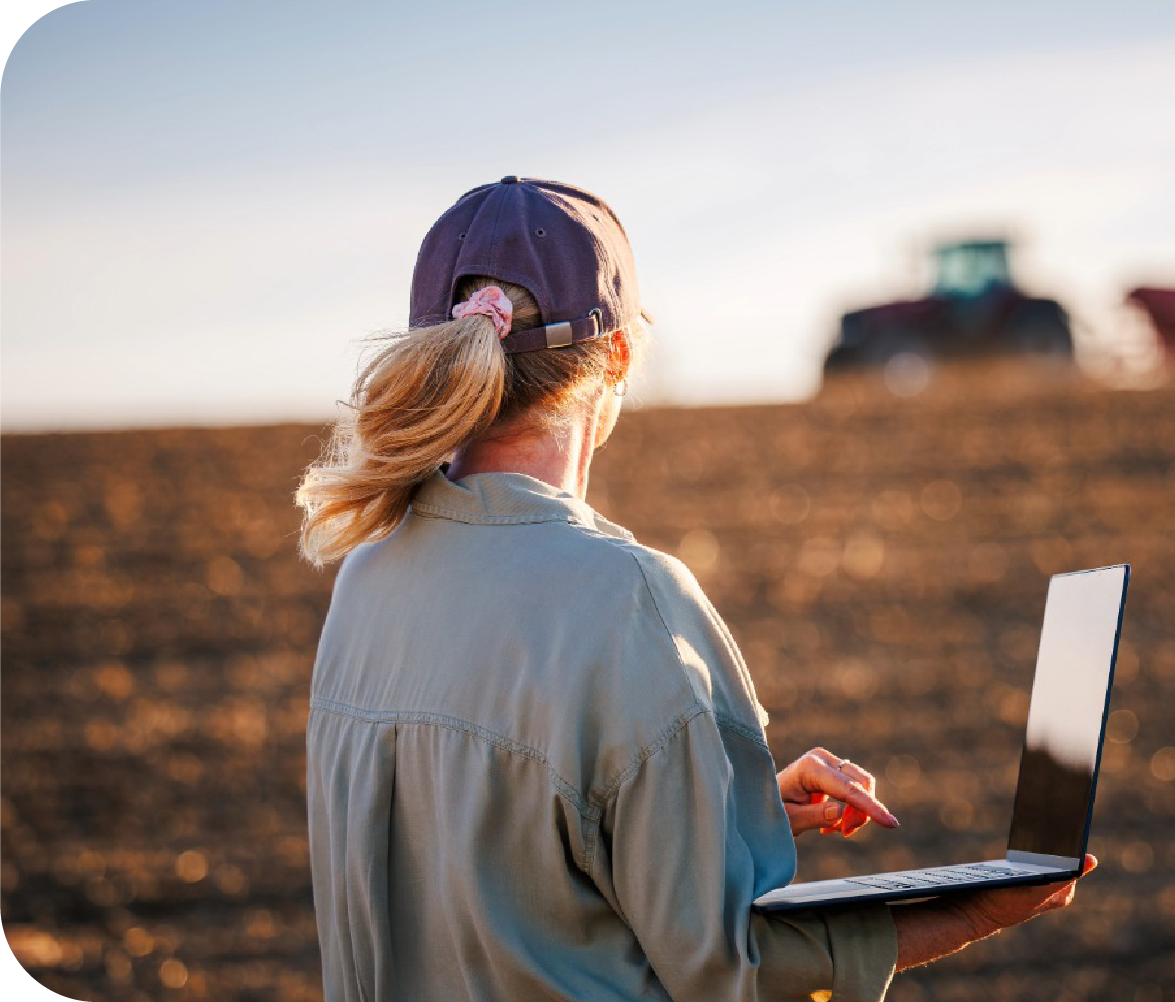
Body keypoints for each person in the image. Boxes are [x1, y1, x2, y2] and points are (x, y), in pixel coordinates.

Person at [296, 176, 1096, 1002]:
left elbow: (484, 861)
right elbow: (733, 975)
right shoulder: (624, 599)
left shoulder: (367, 576)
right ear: (619, 357)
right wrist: (979, 913)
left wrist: (713, 810)